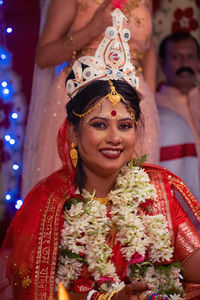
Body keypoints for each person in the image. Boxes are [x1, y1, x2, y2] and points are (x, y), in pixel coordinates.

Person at [1, 10, 200, 300]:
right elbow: (38, 292)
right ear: (73, 132)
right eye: (99, 124)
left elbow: (194, 264)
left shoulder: (157, 190)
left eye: (125, 125)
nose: (115, 138)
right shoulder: (51, 202)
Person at [22, 0, 160, 197]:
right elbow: (44, 56)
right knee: (74, 191)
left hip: (134, 100)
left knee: (133, 194)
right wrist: (92, 28)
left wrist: (149, 102)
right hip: (82, 97)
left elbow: (148, 50)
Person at [156, 31, 200, 200]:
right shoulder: (155, 108)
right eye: (176, 57)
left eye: (190, 56)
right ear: (162, 62)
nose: (185, 63)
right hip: (177, 204)